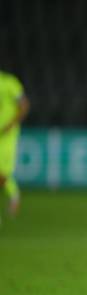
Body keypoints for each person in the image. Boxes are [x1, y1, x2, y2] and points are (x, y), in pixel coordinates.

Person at [0, 70, 30, 220]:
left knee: (2, 175)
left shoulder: (9, 82)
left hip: (6, 137)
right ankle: (14, 195)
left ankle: (14, 195)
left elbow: (24, 105)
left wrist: (11, 124)